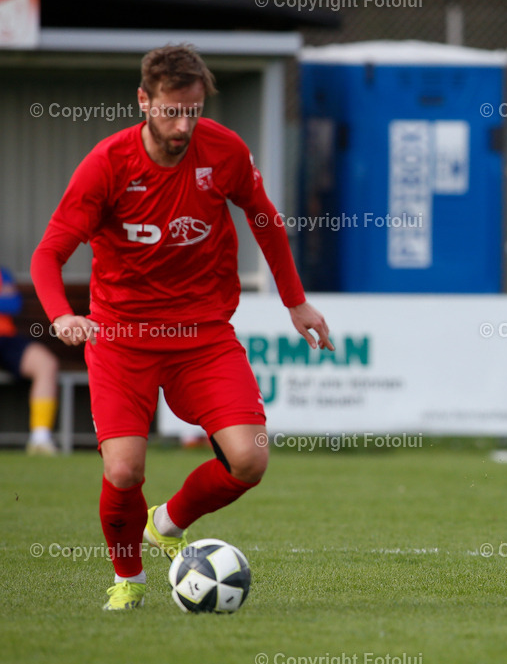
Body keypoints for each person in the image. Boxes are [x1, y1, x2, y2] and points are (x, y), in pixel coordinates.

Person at [31, 44, 334, 611]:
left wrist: (296, 303)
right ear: (144, 101)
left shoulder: (224, 151)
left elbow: (265, 220)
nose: (182, 126)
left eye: (193, 111)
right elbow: (48, 253)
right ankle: (129, 580)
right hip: (121, 339)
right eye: (171, 111)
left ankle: (166, 523)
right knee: (124, 470)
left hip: (203, 335)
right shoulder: (107, 164)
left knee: (250, 459)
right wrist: (61, 315)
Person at [0, 266, 60, 455]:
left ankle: (40, 439)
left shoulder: (3, 273)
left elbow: (14, 304)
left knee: (46, 363)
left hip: (6, 338)